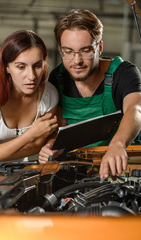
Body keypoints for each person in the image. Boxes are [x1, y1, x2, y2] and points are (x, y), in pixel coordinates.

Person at [38, 9, 141, 179]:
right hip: (77, 170)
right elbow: (59, 125)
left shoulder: (124, 73)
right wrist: (50, 146)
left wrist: (117, 144)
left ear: (99, 47)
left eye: (85, 50)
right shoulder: (58, 77)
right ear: (61, 50)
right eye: (69, 51)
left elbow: (135, 109)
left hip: (123, 166)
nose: (77, 60)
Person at [0, 29, 59, 170]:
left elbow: (38, 144)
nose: (31, 76)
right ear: (6, 67)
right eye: (21, 67)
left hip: (17, 174)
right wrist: (29, 135)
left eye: (37, 66)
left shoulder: (48, 94)